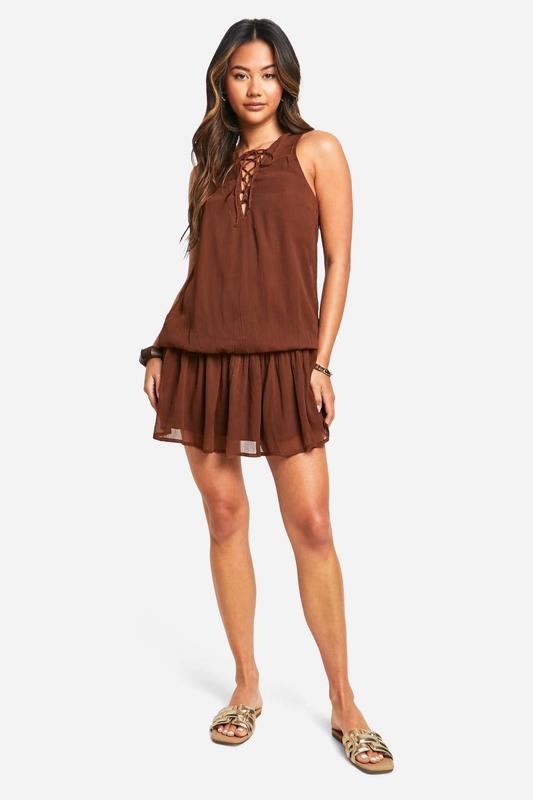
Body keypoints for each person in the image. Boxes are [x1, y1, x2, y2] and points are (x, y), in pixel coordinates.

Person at [140, 18, 394, 774]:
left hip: (286, 361)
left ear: (287, 79)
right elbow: (203, 274)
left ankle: (344, 701)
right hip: (203, 358)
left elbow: (339, 261)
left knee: (311, 524)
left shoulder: (318, 151)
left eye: (267, 73)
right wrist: (161, 346)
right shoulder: (209, 167)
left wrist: (321, 364)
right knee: (224, 517)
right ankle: (246, 686)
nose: (254, 88)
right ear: (221, 82)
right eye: (239, 74)